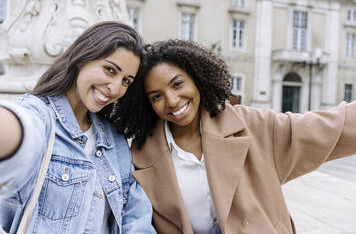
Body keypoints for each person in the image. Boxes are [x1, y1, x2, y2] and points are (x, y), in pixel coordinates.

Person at [119, 39, 356, 234]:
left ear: (197, 78)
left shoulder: (253, 126)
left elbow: (331, 127)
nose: (171, 101)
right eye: (156, 96)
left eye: (178, 84)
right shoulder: (140, 156)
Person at [0, 21, 156, 234]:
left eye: (126, 81)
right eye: (110, 70)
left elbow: (135, 217)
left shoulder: (114, 140)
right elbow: (23, 131)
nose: (115, 88)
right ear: (82, 58)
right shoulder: (40, 116)